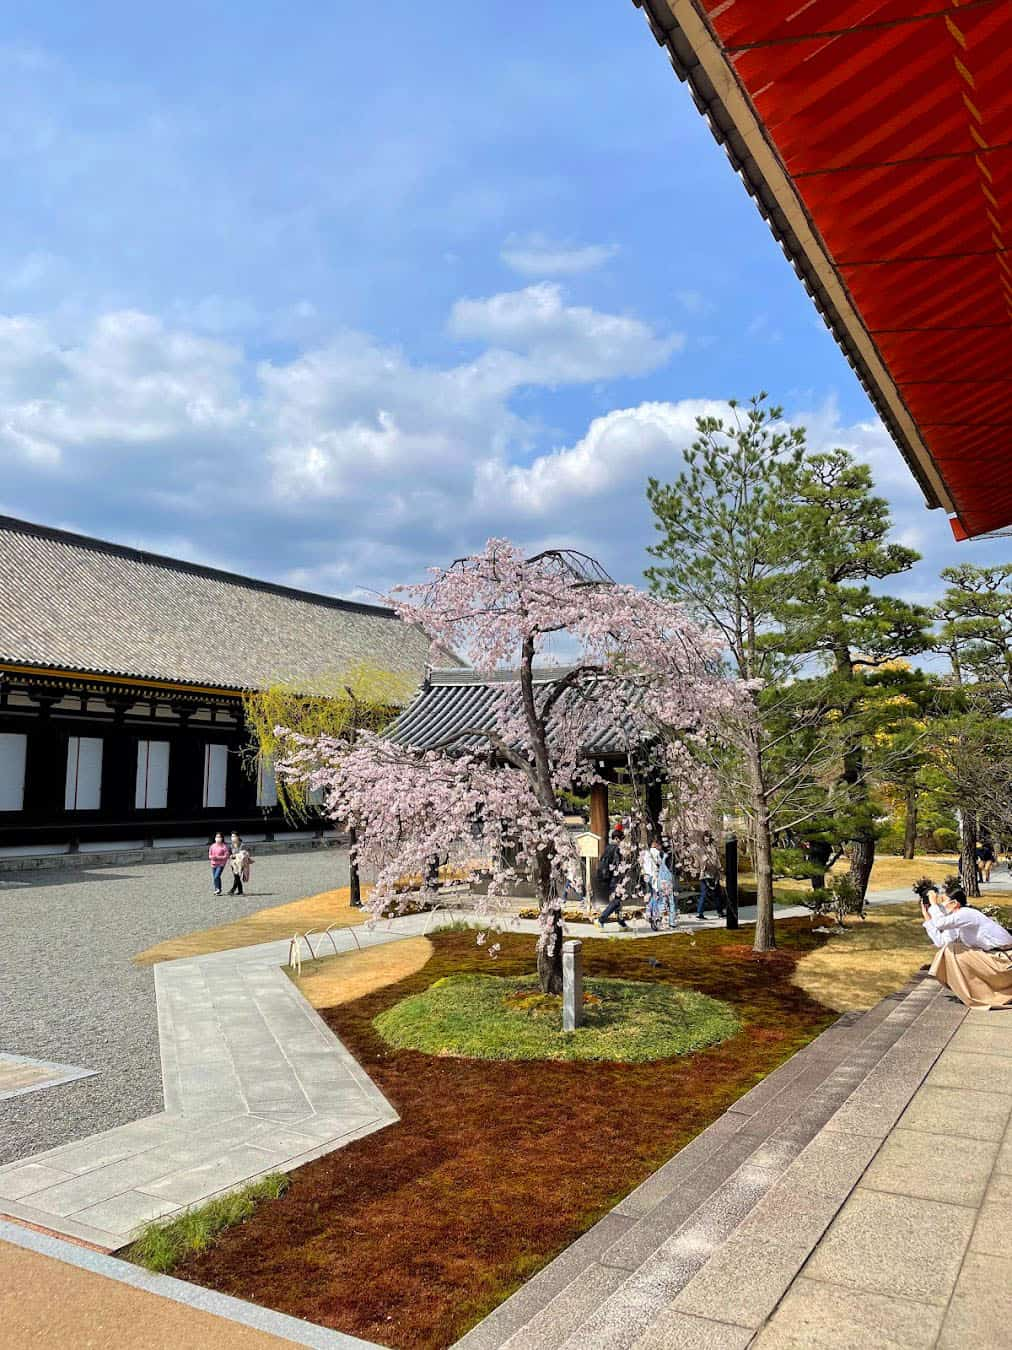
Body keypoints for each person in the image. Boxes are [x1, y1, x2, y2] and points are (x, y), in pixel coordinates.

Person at [924, 883, 1012, 1009]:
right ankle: (972, 992)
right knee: (951, 949)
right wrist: (927, 918)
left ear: (955, 903)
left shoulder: (966, 913)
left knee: (954, 950)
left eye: (943, 901)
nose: (940, 905)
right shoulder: (958, 919)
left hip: (1004, 960)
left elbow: (940, 924)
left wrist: (933, 904)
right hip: (993, 958)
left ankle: (978, 993)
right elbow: (942, 942)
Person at [595, 829, 629, 929]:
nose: (623, 841)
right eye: (622, 839)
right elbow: (619, 866)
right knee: (616, 901)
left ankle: (621, 923)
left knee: (617, 901)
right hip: (616, 878)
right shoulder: (616, 849)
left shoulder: (608, 848)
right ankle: (601, 919)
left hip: (609, 878)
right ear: (617, 838)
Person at [696, 854, 725, 920]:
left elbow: (719, 868)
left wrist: (717, 879)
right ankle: (700, 913)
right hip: (705, 878)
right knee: (704, 895)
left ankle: (720, 912)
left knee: (717, 895)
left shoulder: (715, 856)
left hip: (713, 877)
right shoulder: (703, 856)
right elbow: (701, 868)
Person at [228, 832, 252, 896]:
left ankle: (233, 890)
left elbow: (243, 855)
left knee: (237, 876)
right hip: (233, 863)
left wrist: (235, 855)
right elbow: (229, 853)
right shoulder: (231, 845)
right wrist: (230, 856)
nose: (232, 838)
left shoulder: (242, 845)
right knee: (236, 877)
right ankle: (240, 891)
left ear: (238, 837)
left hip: (241, 864)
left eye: (234, 836)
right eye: (232, 836)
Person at [208, 831, 230, 896]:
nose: (218, 838)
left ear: (222, 838)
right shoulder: (212, 846)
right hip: (213, 864)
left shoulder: (224, 847)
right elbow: (209, 855)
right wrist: (212, 857)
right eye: (217, 837)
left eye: (219, 837)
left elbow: (226, 856)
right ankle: (217, 889)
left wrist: (217, 857)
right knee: (215, 877)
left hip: (221, 864)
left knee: (216, 876)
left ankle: (218, 889)